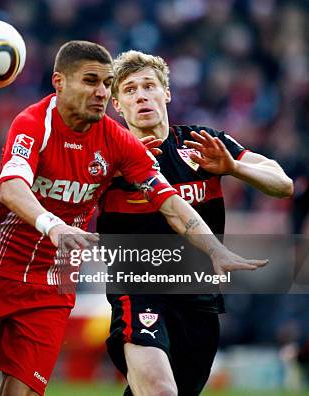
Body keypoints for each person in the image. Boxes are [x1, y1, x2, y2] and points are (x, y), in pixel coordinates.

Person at [0, 41, 267, 396]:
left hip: (54, 283)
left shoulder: (117, 141)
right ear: (59, 82)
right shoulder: (35, 122)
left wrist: (214, 249)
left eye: (106, 82)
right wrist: (53, 225)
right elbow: (11, 188)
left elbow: (171, 203)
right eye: (90, 81)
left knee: (22, 391)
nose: (101, 92)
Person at [98, 50, 294, 396]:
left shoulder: (200, 144)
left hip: (198, 296)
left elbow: (283, 184)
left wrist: (234, 168)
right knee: (160, 391)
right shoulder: (107, 156)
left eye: (149, 86)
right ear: (117, 104)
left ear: (167, 93)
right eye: (129, 90)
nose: (141, 95)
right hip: (139, 291)